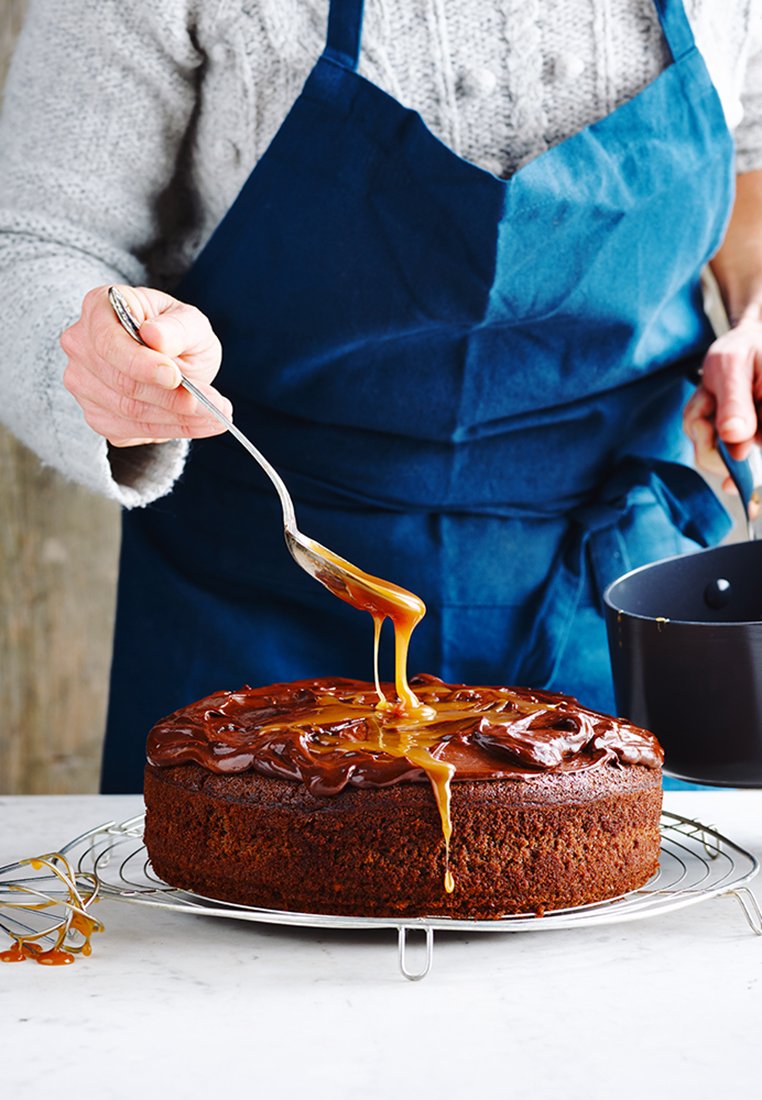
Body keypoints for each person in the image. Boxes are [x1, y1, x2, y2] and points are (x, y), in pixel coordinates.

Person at [1, 0, 761, 793]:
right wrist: (107, 361)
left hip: (610, 605)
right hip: (260, 600)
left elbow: (748, 168)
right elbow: (36, 242)